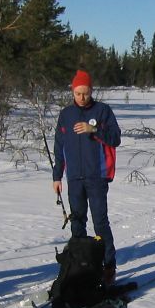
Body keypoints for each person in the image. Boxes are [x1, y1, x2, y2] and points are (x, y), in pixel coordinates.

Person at [52, 69, 121, 284]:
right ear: (73, 91)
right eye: (78, 93)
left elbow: (115, 138)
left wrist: (93, 129)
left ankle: (108, 266)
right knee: (77, 223)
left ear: (91, 91)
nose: (82, 98)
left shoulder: (102, 111)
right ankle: (81, 266)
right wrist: (57, 176)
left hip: (97, 177)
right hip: (74, 179)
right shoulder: (66, 114)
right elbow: (59, 147)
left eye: (86, 93)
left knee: (100, 223)